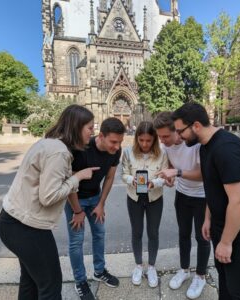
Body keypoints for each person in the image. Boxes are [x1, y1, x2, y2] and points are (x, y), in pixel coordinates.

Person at [0, 104, 98, 300]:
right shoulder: (59, 152)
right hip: (26, 227)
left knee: (31, 281)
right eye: (90, 127)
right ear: (77, 127)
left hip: (14, 222)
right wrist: (78, 177)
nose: (92, 132)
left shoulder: (50, 144)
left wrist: (73, 186)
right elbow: (49, 196)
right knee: (51, 286)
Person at [172, 102, 240, 300]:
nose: (178, 137)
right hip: (223, 226)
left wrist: (226, 242)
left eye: (180, 131)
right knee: (225, 283)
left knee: (238, 290)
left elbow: (239, 201)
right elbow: (213, 187)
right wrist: (209, 218)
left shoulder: (226, 149)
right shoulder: (205, 147)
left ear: (196, 126)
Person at [65, 117, 126, 300]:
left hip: (95, 198)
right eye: (113, 142)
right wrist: (77, 211)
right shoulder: (81, 149)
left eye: (120, 142)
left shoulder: (116, 151)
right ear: (101, 136)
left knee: (100, 234)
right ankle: (80, 281)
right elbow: (68, 183)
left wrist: (101, 204)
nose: (117, 147)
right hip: (75, 199)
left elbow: (109, 178)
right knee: (76, 241)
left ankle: (99, 271)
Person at [153, 112, 211, 299]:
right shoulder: (166, 146)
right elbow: (171, 166)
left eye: (166, 136)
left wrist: (176, 172)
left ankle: (201, 276)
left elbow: (203, 174)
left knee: (202, 237)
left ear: (177, 131)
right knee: (183, 235)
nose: (162, 141)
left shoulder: (194, 144)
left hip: (202, 196)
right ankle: (184, 269)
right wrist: (170, 178)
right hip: (183, 194)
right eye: (160, 136)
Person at [122, 121, 168, 288]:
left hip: (154, 198)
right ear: (137, 138)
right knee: (137, 232)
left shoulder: (162, 154)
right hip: (134, 198)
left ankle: (152, 267)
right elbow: (124, 173)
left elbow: (164, 177)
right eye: (141, 140)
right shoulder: (127, 152)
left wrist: (154, 182)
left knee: (153, 233)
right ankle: (138, 265)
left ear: (154, 139)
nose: (144, 144)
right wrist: (131, 179)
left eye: (148, 140)